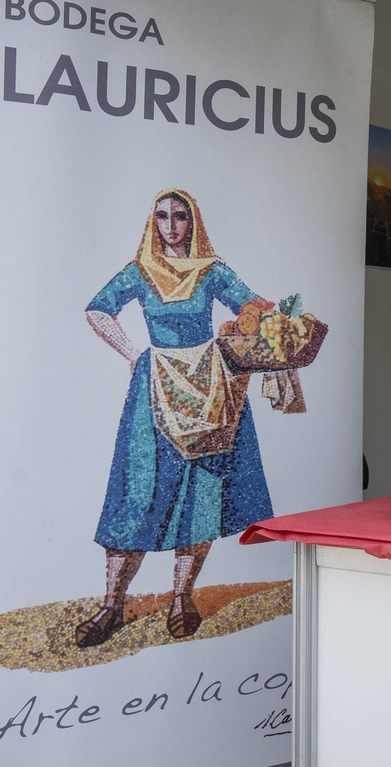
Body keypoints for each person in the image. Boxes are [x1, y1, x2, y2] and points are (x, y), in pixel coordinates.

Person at [78, 189, 277, 647]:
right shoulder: (140, 270)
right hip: (154, 388)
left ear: (193, 222)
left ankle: (181, 598)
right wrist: (133, 353)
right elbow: (98, 309)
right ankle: (111, 605)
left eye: (180, 216)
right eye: (163, 216)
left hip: (209, 390)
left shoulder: (211, 271)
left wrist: (265, 325)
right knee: (137, 491)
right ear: (154, 222)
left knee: (199, 494)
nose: (171, 225)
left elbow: (254, 307)